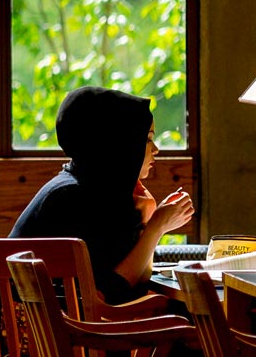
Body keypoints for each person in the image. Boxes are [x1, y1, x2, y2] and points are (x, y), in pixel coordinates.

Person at [10, 86, 193, 305]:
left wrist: (153, 222)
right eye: (146, 139)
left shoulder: (94, 189)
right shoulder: (74, 198)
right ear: (117, 142)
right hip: (33, 334)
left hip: (38, 331)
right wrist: (156, 227)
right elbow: (111, 296)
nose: (156, 150)